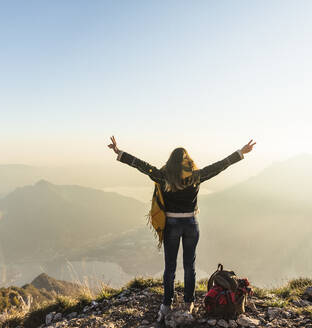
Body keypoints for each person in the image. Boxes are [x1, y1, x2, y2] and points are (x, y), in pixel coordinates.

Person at [107, 136, 256, 322]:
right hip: (192, 224)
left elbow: (142, 166)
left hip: (171, 225)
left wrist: (119, 153)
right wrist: (240, 153)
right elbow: (219, 166)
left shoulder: (163, 176)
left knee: (169, 267)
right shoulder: (196, 176)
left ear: (171, 161)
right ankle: (189, 303)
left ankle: (166, 304)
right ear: (187, 160)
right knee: (189, 266)